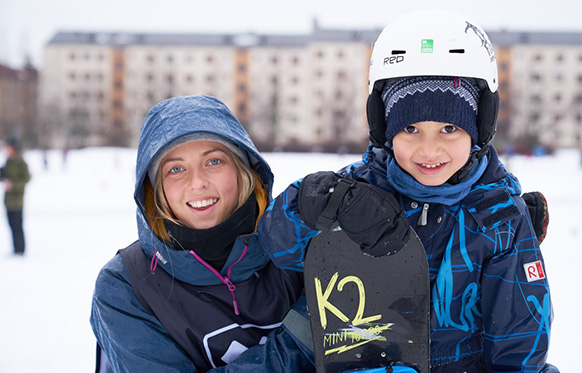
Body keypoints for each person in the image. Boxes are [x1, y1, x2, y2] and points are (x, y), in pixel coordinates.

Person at [217, 9, 558, 373]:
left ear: (478, 127)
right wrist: (310, 203)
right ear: (384, 127)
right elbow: (279, 246)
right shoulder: (357, 192)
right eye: (410, 129)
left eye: (448, 129)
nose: (429, 150)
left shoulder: (499, 218)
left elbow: (519, 347)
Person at [90, 95, 305, 372]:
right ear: (155, 191)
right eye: (176, 169)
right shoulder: (126, 285)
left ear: (244, 171)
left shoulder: (298, 248)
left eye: (214, 162)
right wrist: (301, 343)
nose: (198, 183)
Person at [1, 137, 30, 256]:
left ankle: (20, 250)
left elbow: (26, 179)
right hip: (8, 200)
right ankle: (15, 249)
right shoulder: (8, 161)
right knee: (11, 225)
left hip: (17, 200)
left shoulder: (20, 162)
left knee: (17, 226)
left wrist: (13, 185)